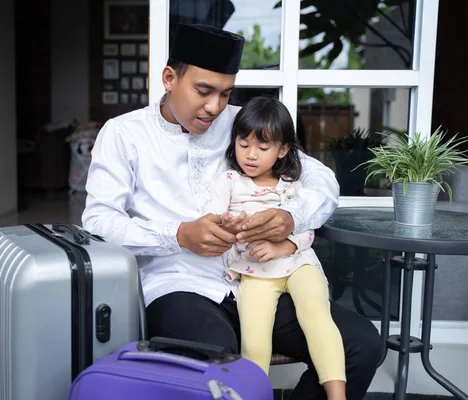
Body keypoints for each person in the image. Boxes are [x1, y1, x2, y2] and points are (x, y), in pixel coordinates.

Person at [82, 23, 381, 400]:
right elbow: (99, 221)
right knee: (216, 364)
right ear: (169, 78)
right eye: (203, 91)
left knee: (363, 344)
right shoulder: (124, 134)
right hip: (180, 285)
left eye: (225, 93)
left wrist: (292, 218)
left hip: (263, 276)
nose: (214, 107)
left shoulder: (244, 124)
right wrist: (178, 234)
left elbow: (321, 178)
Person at [205, 96, 346, 399]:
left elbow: (308, 232)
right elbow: (215, 219)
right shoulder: (229, 181)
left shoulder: (292, 185)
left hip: (300, 264)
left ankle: (337, 395)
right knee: (254, 340)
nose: (251, 155)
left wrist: (284, 246)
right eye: (243, 145)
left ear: (282, 150)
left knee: (317, 315)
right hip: (254, 271)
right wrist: (230, 225)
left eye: (263, 147)